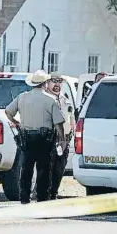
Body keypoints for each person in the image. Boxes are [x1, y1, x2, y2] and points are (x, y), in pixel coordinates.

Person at [5, 70, 65, 204]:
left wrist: (17, 123)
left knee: (26, 169)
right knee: (44, 169)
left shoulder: (22, 97)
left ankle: (24, 197)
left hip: (27, 138)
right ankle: (42, 197)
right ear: (45, 83)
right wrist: (62, 139)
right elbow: (58, 123)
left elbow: (8, 112)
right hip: (45, 140)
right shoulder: (50, 100)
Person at [46, 72, 75, 200]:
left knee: (59, 169)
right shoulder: (45, 99)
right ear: (47, 83)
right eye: (54, 81)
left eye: (59, 81)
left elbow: (71, 118)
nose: (57, 84)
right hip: (49, 138)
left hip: (64, 140)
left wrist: (70, 134)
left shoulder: (65, 99)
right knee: (47, 168)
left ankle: (53, 193)